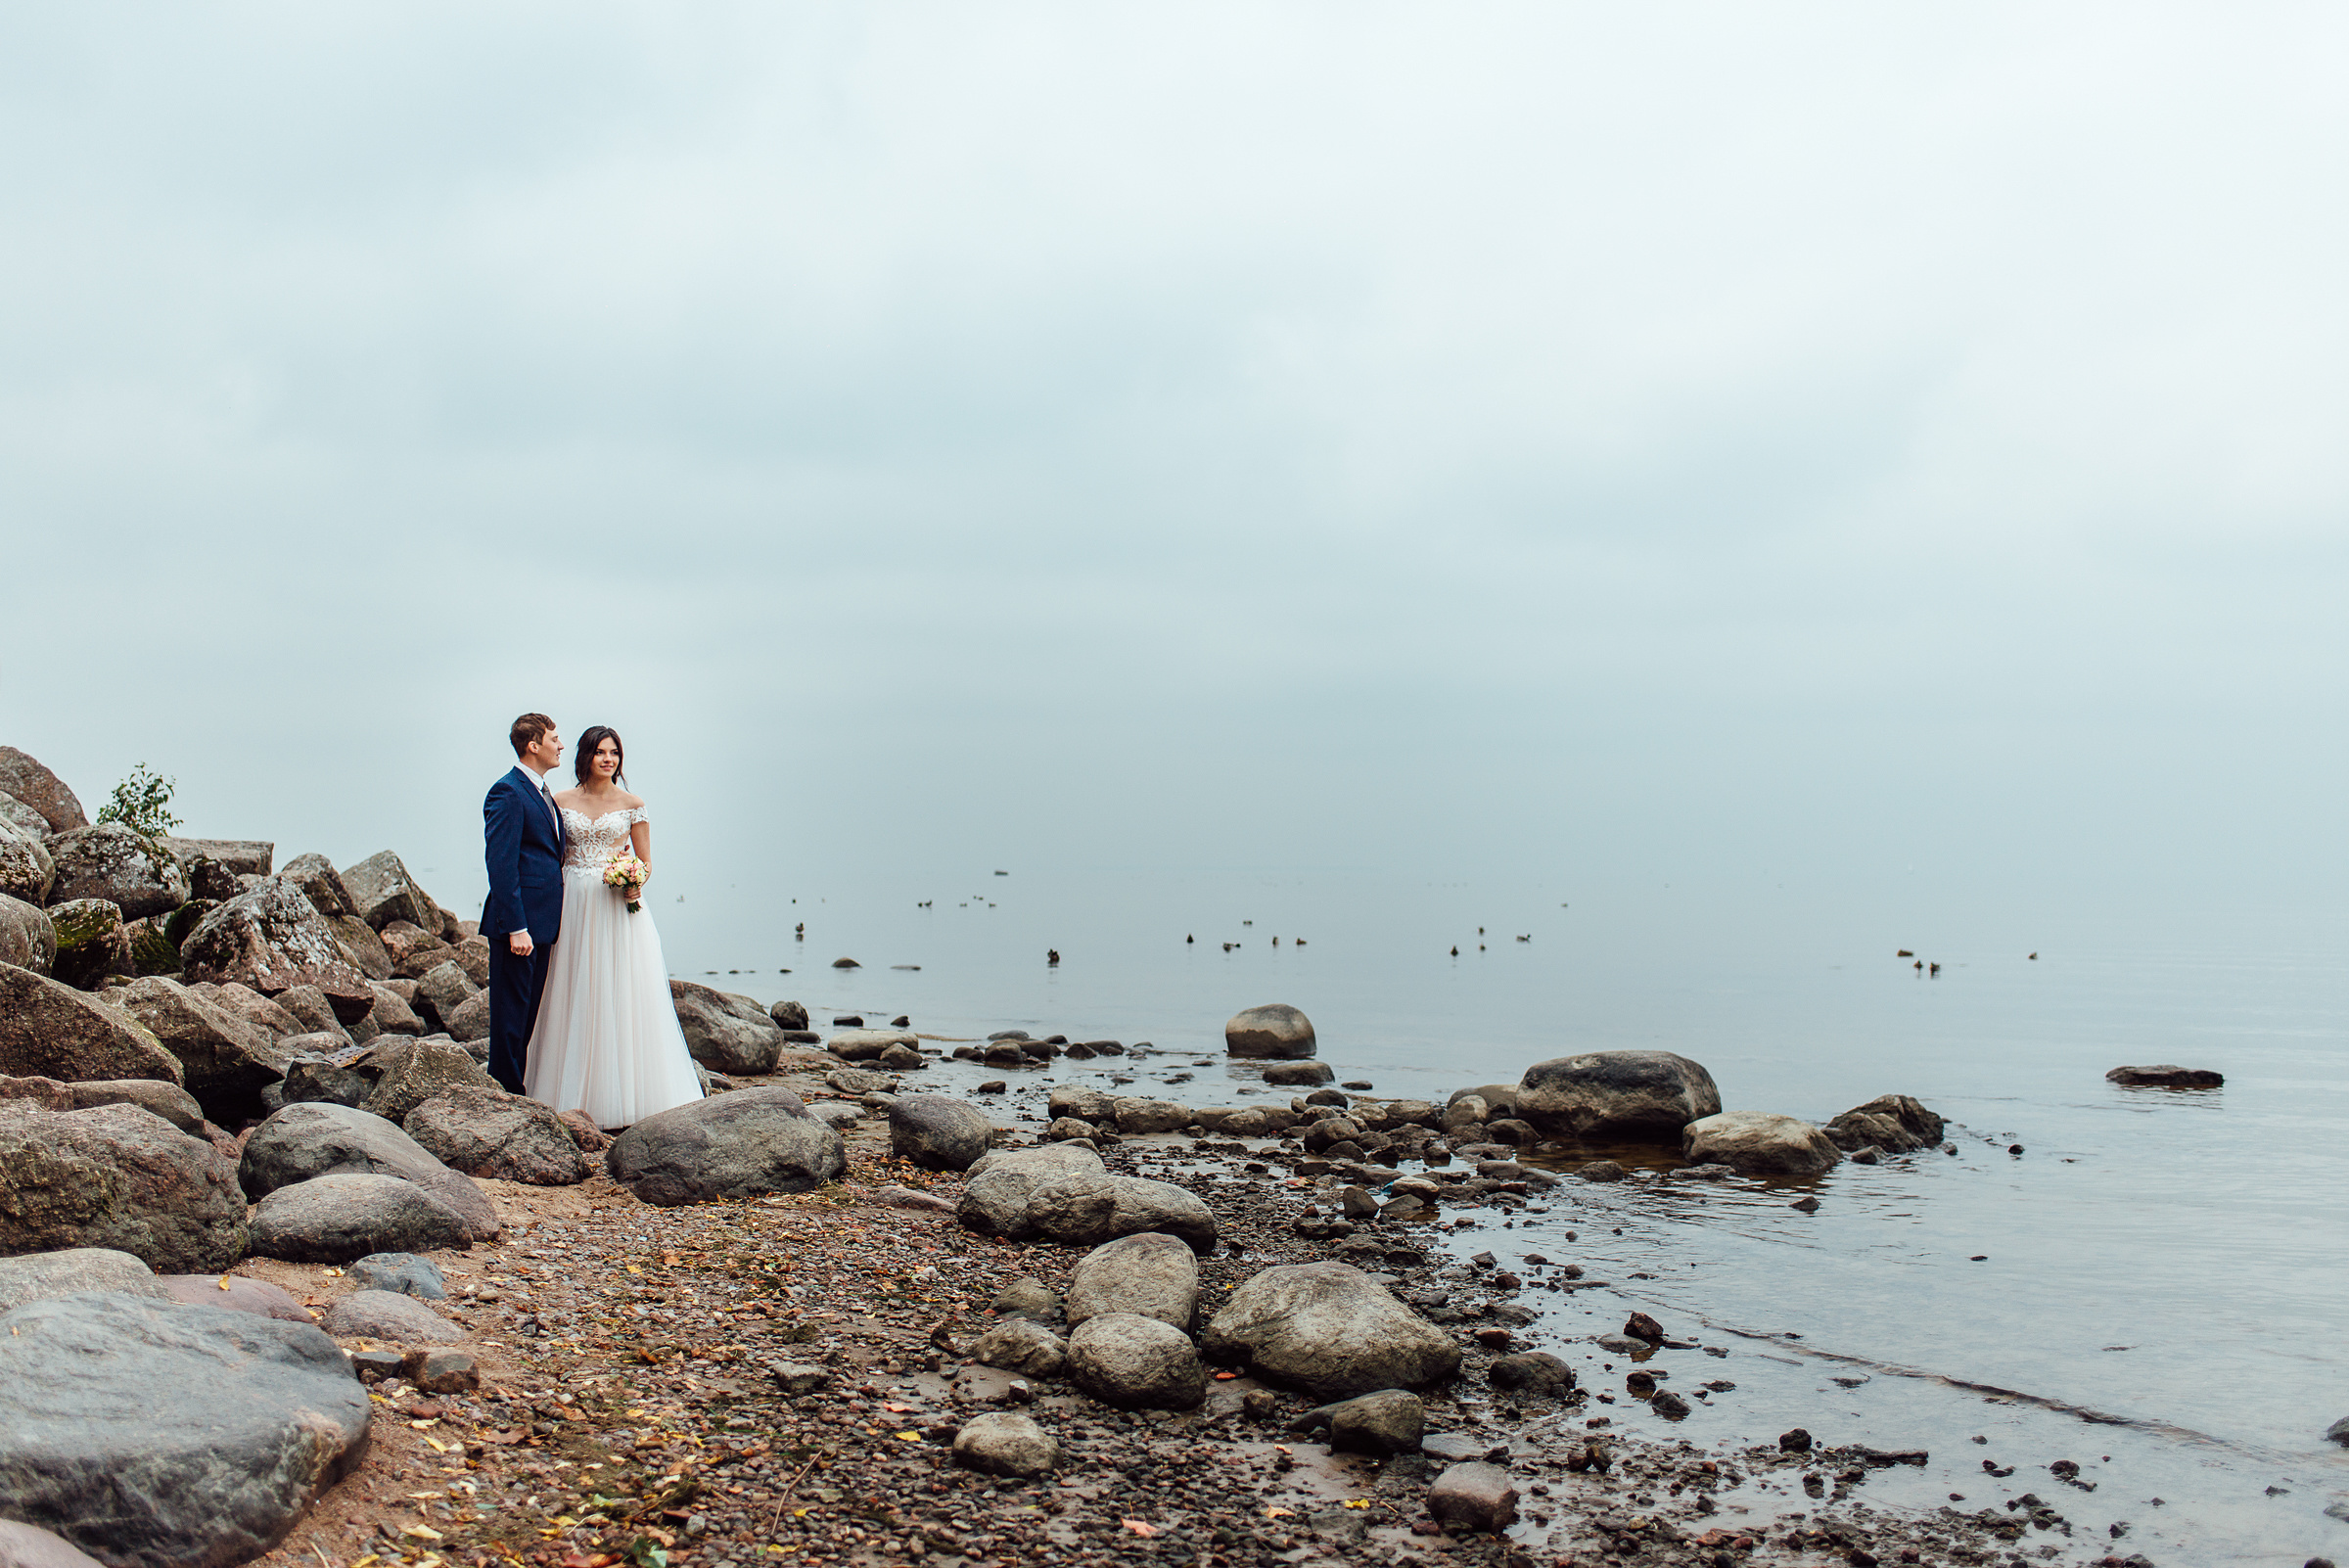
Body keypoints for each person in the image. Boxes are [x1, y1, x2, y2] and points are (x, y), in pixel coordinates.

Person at [523, 724, 705, 1128]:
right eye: (600, 752)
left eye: (615, 753)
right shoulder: (558, 799)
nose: (609, 759)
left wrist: (632, 878)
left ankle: (624, 1095)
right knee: (570, 988)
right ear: (585, 757)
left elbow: (646, 861)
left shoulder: (633, 803)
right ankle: (563, 1093)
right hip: (570, 902)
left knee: (619, 991)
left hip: (614, 907)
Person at [483, 714, 567, 1094]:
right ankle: (506, 1093)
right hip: (518, 926)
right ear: (533, 745)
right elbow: (501, 866)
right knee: (510, 1017)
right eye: (554, 738)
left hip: (543, 923)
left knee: (528, 1014)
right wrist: (517, 927)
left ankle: (515, 1088)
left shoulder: (543, 792)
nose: (560, 745)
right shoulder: (508, 792)